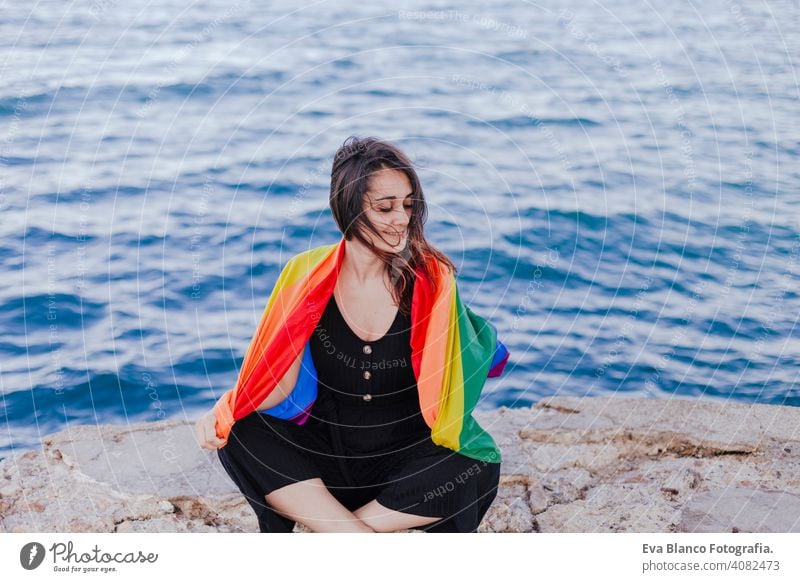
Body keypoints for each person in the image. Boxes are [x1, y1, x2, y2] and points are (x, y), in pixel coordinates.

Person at [194, 136, 509, 533]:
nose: (402, 218)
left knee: (474, 466)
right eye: (385, 206)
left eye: (409, 204)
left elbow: (461, 374)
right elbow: (276, 379)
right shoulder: (305, 274)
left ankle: (333, 530)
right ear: (349, 205)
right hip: (325, 458)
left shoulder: (430, 281)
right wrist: (224, 409)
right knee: (243, 433)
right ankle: (355, 537)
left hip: (406, 465)